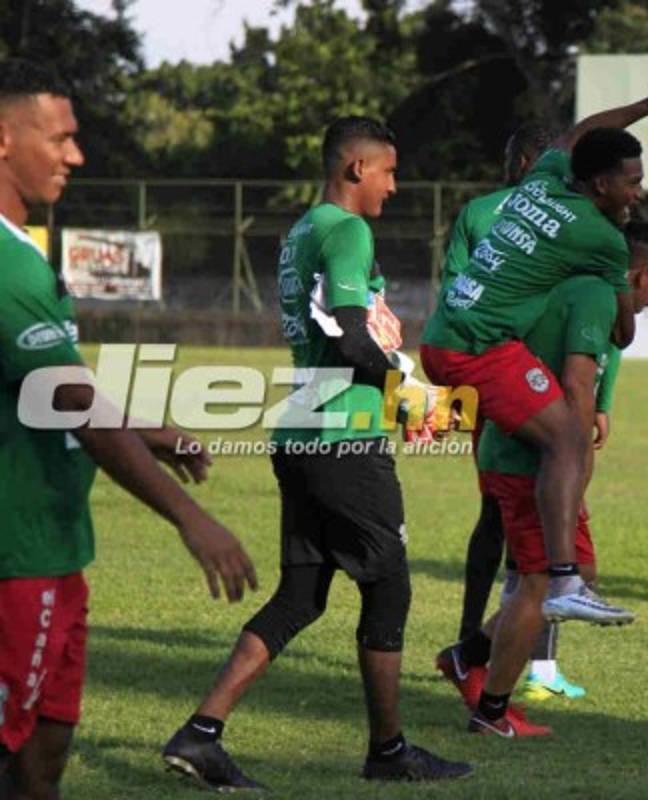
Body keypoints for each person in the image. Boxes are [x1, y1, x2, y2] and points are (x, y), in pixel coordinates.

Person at [161, 117, 470, 789]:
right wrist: (410, 399)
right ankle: (388, 753)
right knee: (388, 588)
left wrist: (399, 390)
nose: (394, 186)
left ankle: (200, 734)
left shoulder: (302, 230)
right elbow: (356, 341)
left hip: (302, 430)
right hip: (343, 439)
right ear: (356, 168)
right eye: (388, 171)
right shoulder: (349, 230)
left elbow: (337, 337)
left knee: (302, 596)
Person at [0, 59, 258, 800]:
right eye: (61, 138)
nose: (76, 156)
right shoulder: (6, 265)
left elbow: (46, 388)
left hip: (54, 544)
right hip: (15, 555)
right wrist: (190, 518)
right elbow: (70, 397)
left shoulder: (25, 253)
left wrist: (146, 428)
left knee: (47, 750)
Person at [420, 76, 648, 625]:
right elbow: (623, 333)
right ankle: (564, 578)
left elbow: (585, 130)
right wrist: (628, 285)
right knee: (568, 438)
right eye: (632, 183)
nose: (639, 193)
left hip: (452, 330)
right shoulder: (604, 240)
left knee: (539, 457)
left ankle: (528, 596)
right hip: (475, 347)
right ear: (602, 183)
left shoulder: (541, 177)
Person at [439, 221, 648, 737]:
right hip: (531, 459)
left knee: (574, 569)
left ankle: (468, 657)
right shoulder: (591, 294)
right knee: (541, 584)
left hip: (528, 453)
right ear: (640, 273)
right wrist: (575, 463)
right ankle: (492, 711)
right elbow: (575, 385)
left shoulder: (570, 287)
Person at [441, 123, 615, 701]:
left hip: (492, 369)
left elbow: (458, 289)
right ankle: (508, 671)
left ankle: (478, 649)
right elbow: (599, 330)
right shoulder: (576, 221)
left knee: (501, 524)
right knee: (540, 546)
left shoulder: (487, 211)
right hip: (509, 371)